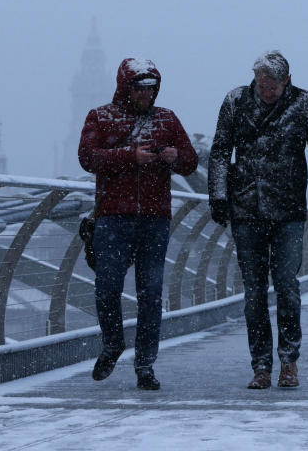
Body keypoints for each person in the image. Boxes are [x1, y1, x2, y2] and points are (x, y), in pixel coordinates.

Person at [208, 50, 308, 390]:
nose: (266, 93)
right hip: (246, 209)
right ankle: (261, 365)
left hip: (288, 210)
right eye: (262, 85)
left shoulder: (305, 103)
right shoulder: (235, 101)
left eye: (273, 87)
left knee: (287, 287)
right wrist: (218, 196)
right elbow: (220, 151)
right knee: (253, 292)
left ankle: (289, 360)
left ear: (287, 82)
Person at [78, 58, 198, 391]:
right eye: (140, 89)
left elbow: (190, 162)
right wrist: (131, 156)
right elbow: (88, 158)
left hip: (155, 220)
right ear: (125, 88)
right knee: (107, 289)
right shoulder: (100, 116)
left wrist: (175, 156)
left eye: (151, 89)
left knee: (151, 295)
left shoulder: (167, 119)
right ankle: (113, 343)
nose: (147, 95)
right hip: (113, 218)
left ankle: (145, 365)